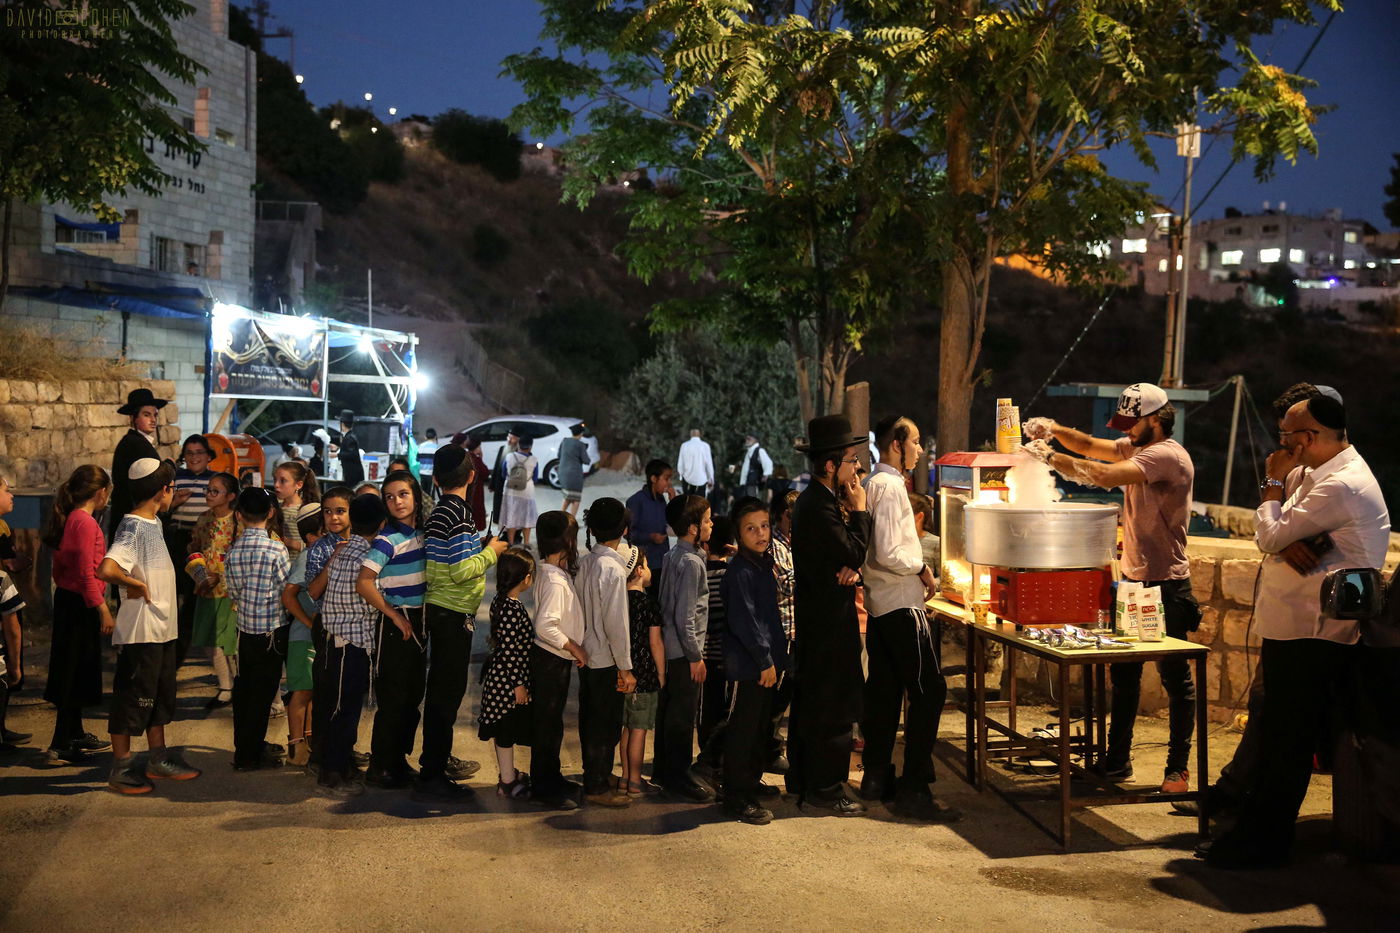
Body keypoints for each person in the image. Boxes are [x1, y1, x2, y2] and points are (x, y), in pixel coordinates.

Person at [1206, 395, 1390, 869]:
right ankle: (1252, 828)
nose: (1282, 446)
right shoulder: (1314, 472)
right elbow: (1283, 535)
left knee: (1289, 741)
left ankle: (1262, 844)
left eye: (1288, 437)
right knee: (1279, 733)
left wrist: (1270, 488)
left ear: (1309, 437)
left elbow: (1269, 532)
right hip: (1296, 622)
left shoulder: (1342, 484)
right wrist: (1286, 541)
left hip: (1315, 629)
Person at [1025, 382, 1200, 793]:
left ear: (1155, 420)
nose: (1126, 432)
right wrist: (1052, 428)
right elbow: (1090, 445)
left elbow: (1101, 475)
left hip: (1167, 586)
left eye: (1132, 424)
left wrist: (1049, 456)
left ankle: (1177, 768)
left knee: (1177, 680)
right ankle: (1117, 761)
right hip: (1135, 582)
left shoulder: (1166, 456)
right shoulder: (1137, 447)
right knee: (1123, 679)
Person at [859, 416, 957, 822]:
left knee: (884, 692)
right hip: (900, 603)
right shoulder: (889, 485)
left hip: (882, 604)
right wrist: (921, 567)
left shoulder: (875, 485)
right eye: (915, 442)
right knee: (929, 691)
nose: (920, 450)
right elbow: (886, 550)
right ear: (896, 444)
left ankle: (877, 777)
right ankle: (915, 789)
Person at [97, 458, 202, 793]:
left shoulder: (152, 522)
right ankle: (122, 767)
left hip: (160, 628)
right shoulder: (134, 526)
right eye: (171, 487)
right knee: (132, 698)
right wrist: (138, 586)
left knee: (157, 696)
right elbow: (107, 568)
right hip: (142, 630)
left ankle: (158, 758)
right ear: (163, 490)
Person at [788, 414, 871, 814]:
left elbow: (847, 558)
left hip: (821, 619)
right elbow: (854, 550)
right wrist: (860, 511)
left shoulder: (818, 501)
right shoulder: (819, 506)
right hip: (827, 623)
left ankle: (806, 780)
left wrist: (852, 567)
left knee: (816, 703)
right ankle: (826, 787)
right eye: (851, 460)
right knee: (832, 707)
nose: (856, 468)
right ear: (829, 465)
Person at [420, 444, 507, 801]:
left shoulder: (442, 510)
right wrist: (492, 552)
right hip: (450, 614)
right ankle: (433, 775)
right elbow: (460, 571)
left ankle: (434, 762)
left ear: (437, 479)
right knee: (445, 697)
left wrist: (477, 547)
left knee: (443, 694)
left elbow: (452, 557)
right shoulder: (457, 514)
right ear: (472, 476)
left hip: (444, 611)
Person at [356, 471, 429, 790]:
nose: (397, 501)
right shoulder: (387, 540)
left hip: (419, 624)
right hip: (394, 626)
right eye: (390, 496)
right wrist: (393, 615)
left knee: (412, 697)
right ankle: (380, 766)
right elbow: (364, 581)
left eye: (402, 494)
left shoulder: (424, 534)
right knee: (393, 699)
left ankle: (398, 760)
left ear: (415, 496)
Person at [720, 497, 790, 825]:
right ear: (738, 533)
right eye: (751, 529)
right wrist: (763, 660)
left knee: (759, 727)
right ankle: (736, 797)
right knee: (743, 730)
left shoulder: (763, 563)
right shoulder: (739, 571)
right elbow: (744, 621)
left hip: (767, 662)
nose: (760, 533)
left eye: (764, 526)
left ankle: (749, 784)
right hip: (749, 665)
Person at [41, 465, 115, 766]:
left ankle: (75, 732)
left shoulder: (71, 519)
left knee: (77, 668)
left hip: (69, 600)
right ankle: (60, 742)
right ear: (100, 493)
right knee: (73, 671)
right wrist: (103, 609)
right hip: (81, 603)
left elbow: (60, 569)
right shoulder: (85, 524)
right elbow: (86, 573)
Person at [316, 493, 388, 797]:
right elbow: (372, 599)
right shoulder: (369, 558)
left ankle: (340, 765)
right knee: (344, 709)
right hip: (352, 643)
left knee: (343, 707)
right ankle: (332, 773)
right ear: (383, 524)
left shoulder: (342, 551)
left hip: (336, 641)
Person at [223, 487, 293, 772]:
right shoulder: (276, 549)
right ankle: (251, 754)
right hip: (272, 632)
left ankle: (245, 748)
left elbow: (233, 592)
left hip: (245, 632)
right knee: (263, 695)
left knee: (244, 691)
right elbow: (285, 590)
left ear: (238, 515)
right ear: (271, 513)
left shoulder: (234, 549)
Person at [575, 497, 636, 808]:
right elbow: (616, 624)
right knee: (605, 724)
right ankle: (597, 784)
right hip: (606, 659)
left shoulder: (585, 563)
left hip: (585, 656)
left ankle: (596, 775)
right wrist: (626, 668)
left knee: (591, 720)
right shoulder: (612, 568)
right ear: (623, 530)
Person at [653, 493, 715, 802]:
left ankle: (664, 770)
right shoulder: (691, 564)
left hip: (669, 647)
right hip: (684, 652)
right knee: (682, 716)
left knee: (669, 712)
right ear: (692, 528)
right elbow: (685, 614)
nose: (711, 525)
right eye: (706, 521)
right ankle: (678, 776)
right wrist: (695, 656)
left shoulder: (674, 554)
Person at [528, 511, 589, 810]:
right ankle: (543, 785)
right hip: (550, 661)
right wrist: (574, 647)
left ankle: (551, 777)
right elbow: (544, 625)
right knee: (547, 726)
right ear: (567, 540)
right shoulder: (553, 580)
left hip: (553, 661)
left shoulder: (552, 571)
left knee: (551, 725)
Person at [302, 485, 355, 771]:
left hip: (355, 627)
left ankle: (344, 750)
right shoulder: (320, 548)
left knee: (349, 694)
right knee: (325, 693)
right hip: (327, 626)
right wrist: (334, 559)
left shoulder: (363, 544)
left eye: (340, 511)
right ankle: (319, 755)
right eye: (327, 511)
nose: (333, 517)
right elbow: (312, 591)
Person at [478, 547, 537, 799]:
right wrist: (519, 685)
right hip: (507, 683)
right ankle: (508, 782)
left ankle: (507, 774)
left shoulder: (502, 600)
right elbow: (512, 651)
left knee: (504, 730)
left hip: (499, 680)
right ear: (525, 578)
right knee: (506, 731)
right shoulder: (512, 609)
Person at [188, 472, 240, 710]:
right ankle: (225, 684)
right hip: (206, 590)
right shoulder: (203, 519)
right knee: (209, 640)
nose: (209, 495)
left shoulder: (238, 522)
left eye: (215, 491)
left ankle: (232, 685)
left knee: (227, 642)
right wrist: (200, 575)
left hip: (229, 593)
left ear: (230, 496)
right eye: (208, 490)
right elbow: (194, 549)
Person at [280, 503, 325, 767]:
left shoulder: (317, 555)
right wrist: (309, 623)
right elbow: (289, 595)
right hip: (302, 637)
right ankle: (296, 747)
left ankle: (308, 742)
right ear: (311, 536)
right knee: (301, 691)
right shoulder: (308, 556)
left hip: (311, 636)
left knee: (310, 691)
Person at [620, 548, 665, 798]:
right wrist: (662, 673)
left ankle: (625, 778)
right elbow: (655, 642)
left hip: (623, 673)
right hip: (644, 674)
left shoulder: (619, 602)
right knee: (639, 730)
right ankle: (636, 780)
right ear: (638, 571)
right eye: (646, 566)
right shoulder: (648, 603)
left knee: (626, 728)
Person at [695, 515, 735, 775]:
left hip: (704, 655)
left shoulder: (700, 575)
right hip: (728, 655)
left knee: (706, 711)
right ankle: (717, 760)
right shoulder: (732, 576)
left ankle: (706, 757)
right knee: (724, 710)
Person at [170, 434, 214, 663]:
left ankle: (190, 643)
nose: (194, 457)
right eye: (190, 453)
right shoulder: (176, 477)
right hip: (178, 539)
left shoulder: (215, 480)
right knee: (177, 592)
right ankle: (177, 643)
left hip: (203, 544)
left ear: (208, 456)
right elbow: (162, 507)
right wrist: (174, 502)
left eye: (199, 452)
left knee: (194, 593)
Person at [765, 489, 799, 771]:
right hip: (784, 632)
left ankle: (776, 749)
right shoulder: (774, 546)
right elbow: (787, 585)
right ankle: (768, 750)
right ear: (781, 515)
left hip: (797, 630)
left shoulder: (793, 543)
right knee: (776, 699)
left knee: (789, 695)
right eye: (792, 515)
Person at [109, 388, 165, 539]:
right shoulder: (135, 444)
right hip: (134, 519)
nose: (153, 420)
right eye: (146, 415)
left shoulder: (135, 442)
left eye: (155, 415)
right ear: (133, 418)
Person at [625, 458, 674, 585]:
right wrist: (650, 537)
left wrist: (673, 502)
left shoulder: (662, 500)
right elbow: (628, 533)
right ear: (654, 479)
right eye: (666, 479)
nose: (669, 483)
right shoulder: (636, 501)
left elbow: (671, 524)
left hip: (662, 560)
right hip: (645, 564)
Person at [272, 461, 320, 555]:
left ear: (298, 485)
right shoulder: (275, 508)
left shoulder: (306, 511)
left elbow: (317, 543)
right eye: (275, 480)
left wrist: (291, 543)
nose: (276, 485)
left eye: (283, 481)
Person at [500, 435, 539, 547]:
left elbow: (503, 474)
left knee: (511, 516)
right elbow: (535, 478)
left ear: (518, 445)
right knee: (527, 517)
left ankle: (511, 543)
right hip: (527, 492)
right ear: (530, 447)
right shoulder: (534, 460)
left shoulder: (509, 457)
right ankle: (526, 543)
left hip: (510, 491)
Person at [556, 423, 592, 518]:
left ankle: (560, 517)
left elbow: (559, 455)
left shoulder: (565, 441)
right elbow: (586, 460)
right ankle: (571, 521)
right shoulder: (580, 445)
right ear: (581, 434)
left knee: (567, 496)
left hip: (562, 473)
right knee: (576, 499)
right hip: (574, 475)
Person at [489, 426, 520, 531]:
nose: (509, 440)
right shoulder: (503, 448)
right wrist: (492, 484)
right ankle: (501, 531)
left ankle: (511, 532)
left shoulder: (521, 453)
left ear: (518, 440)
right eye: (508, 437)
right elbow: (496, 466)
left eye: (512, 438)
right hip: (499, 484)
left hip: (512, 487)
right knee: (499, 509)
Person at [677, 428, 716, 497]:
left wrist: (681, 476)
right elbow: (709, 464)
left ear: (690, 435)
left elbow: (680, 464)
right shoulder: (705, 446)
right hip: (701, 479)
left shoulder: (684, 445)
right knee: (700, 503)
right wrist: (711, 479)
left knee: (688, 503)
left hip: (687, 479)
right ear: (700, 435)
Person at [464, 437, 490, 531]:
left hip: (464, 490)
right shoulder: (476, 459)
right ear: (477, 448)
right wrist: (481, 458)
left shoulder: (465, 456)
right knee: (476, 515)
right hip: (476, 491)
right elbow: (485, 473)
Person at [739, 433, 774, 501]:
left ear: (755, 440)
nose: (747, 440)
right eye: (746, 439)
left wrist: (765, 475)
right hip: (747, 483)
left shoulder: (759, 450)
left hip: (753, 483)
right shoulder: (749, 451)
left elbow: (768, 463)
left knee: (752, 503)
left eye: (749, 439)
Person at [337, 410, 365, 487]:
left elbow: (352, 454)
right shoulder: (349, 436)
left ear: (342, 424)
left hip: (353, 475)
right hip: (352, 474)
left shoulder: (349, 437)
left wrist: (338, 454)